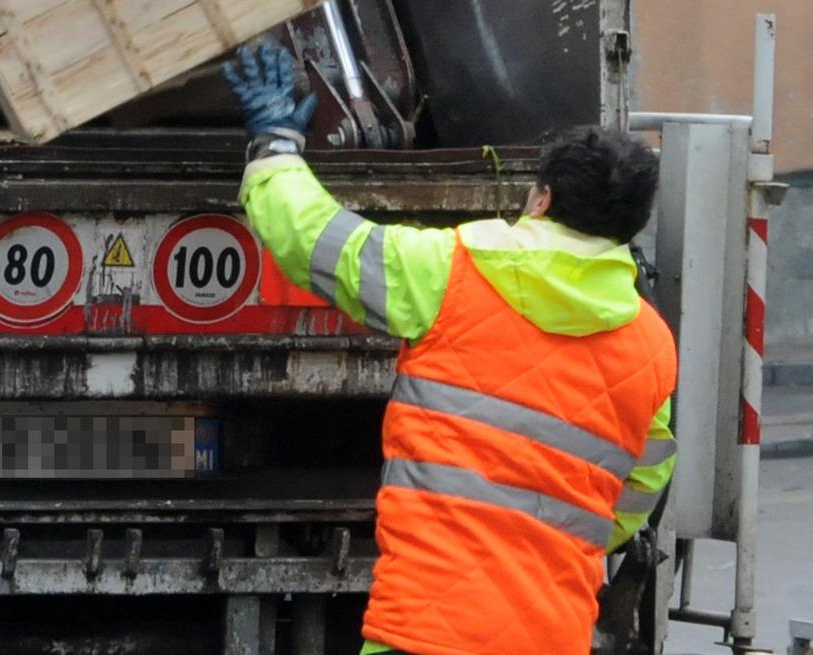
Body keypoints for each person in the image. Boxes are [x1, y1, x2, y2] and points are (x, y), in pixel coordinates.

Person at [225, 42, 678, 655]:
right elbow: (638, 490)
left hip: (425, 632)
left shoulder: (454, 270)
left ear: (542, 199)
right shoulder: (652, 346)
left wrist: (275, 147)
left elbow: (315, 242)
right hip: (551, 635)